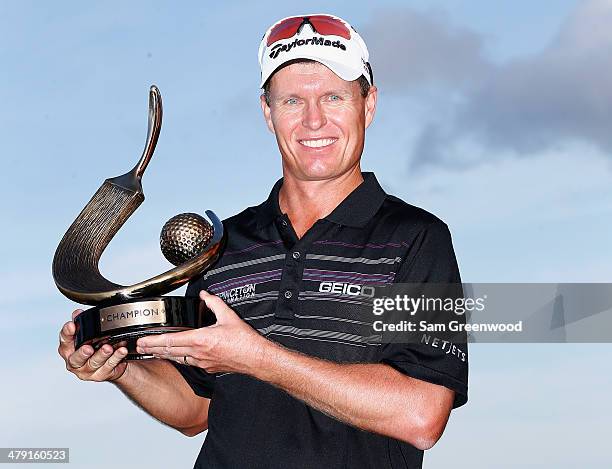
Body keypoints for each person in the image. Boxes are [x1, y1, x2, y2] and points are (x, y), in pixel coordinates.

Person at [58, 14, 468, 468]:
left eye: (333, 96)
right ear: (267, 112)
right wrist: (123, 369)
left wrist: (256, 356)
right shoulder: (224, 244)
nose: (314, 121)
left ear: (368, 105)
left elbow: (421, 415)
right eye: (292, 100)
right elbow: (197, 409)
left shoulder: (417, 239)